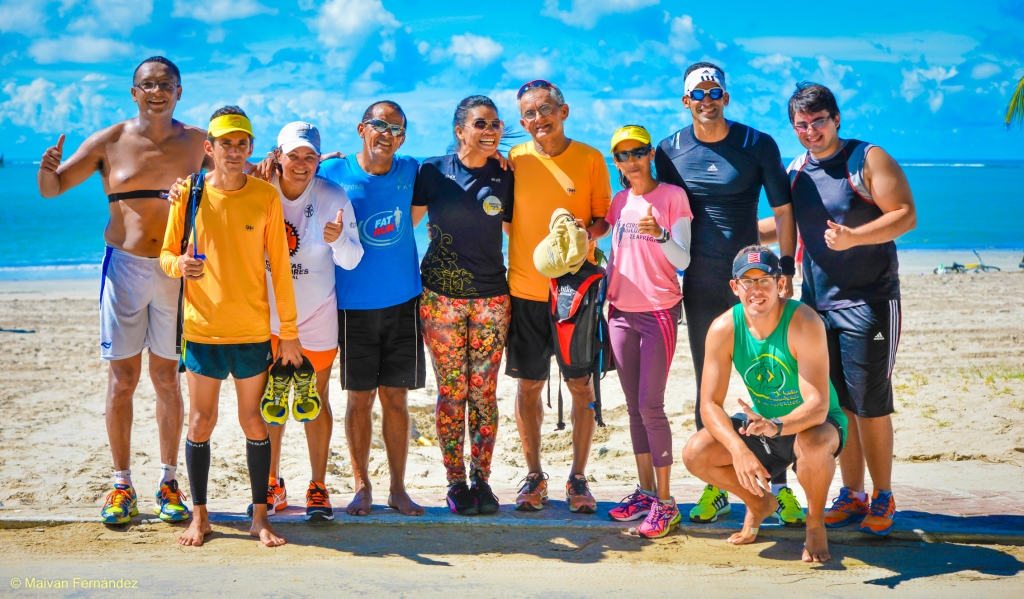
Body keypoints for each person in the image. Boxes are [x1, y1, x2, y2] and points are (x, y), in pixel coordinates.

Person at [35, 56, 203, 524]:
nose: (157, 91)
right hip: (123, 268)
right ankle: (121, 485)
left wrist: (287, 164)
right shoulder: (109, 141)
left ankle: (168, 481)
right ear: (134, 92)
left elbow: (242, 171)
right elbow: (52, 188)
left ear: (179, 91)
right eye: (148, 84)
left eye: (165, 84)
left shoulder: (197, 142)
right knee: (123, 380)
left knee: (167, 380)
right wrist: (47, 168)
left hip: (175, 270)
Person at [653, 62, 802, 525]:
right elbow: (662, 212)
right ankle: (716, 488)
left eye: (714, 91)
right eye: (698, 94)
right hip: (700, 282)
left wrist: (786, 269)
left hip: (756, 282)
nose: (707, 100)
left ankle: (780, 487)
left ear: (726, 96)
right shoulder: (669, 151)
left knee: (773, 380)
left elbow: (784, 210)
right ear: (686, 101)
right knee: (708, 386)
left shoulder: (757, 144)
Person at [160, 106, 302, 547]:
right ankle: (199, 518)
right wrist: (179, 266)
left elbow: (280, 268)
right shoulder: (189, 193)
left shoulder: (265, 196)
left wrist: (289, 331)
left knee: (253, 421)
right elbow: (166, 254)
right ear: (210, 148)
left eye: (242, 144)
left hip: (252, 331)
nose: (234, 151)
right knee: (201, 422)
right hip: (202, 331)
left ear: (251, 147)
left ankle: (260, 518)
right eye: (226, 144)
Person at [785, 82, 916, 537]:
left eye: (818, 121)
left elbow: (905, 214)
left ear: (836, 119)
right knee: (839, 406)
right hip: (817, 307)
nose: (811, 131)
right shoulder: (797, 171)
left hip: (870, 304)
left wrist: (855, 237)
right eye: (801, 124)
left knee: (870, 403)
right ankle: (853, 493)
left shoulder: (867, 158)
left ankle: (883, 494)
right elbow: (787, 225)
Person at [682, 246, 847, 563]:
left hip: (815, 425)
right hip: (764, 426)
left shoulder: (804, 321)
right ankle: (759, 503)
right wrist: (738, 450)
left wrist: (778, 425)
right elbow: (709, 405)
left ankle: (815, 524)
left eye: (764, 281)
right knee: (695, 452)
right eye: (747, 281)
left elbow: (818, 405)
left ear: (780, 284)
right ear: (735, 287)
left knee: (813, 444)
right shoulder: (723, 328)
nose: (756, 289)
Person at [505, 80, 611, 513]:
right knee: (529, 384)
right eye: (529, 114)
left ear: (563, 111)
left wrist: (589, 232)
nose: (538, 119)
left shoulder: (590, 158)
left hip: (576, 290)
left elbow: (605, 218)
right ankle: (534, 475)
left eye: (545, 109)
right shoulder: (513, 160)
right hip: (525, 289)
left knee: (580, 385)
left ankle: (578, 478)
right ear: (522, 121)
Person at [319, 101, 425, 517]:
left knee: (396, 399)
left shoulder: (412, 170)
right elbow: (287, 178)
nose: (386, 133)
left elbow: (458, 168)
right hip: (353, 306)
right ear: (361, 129)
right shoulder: (332, 172)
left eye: (396, 128)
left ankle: (398, 488)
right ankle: (361, 486)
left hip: (403, 301)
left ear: (403, 137)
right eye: (378, 124)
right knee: (359, 399)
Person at [410, 96, 513, 515]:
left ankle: (481, 481)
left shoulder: (507, 174)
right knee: (452, 392)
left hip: (492, 298)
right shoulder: (432, 171)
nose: (490, 130)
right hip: (441, 299)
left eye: (496, 124)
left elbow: (520, 228)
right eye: (480, 123)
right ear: (460, 130)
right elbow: (401, 222)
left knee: (484, 392)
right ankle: (455, 482)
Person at [259, 122, 363, 521]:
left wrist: (338, 239)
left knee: (313, 401)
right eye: (293, 155)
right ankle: (272, 483)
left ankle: (318, 487)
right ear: (278, 156)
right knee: (272, 402)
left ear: (319, 159)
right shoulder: (260, 189)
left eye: (310, 156)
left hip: (317, 318)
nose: (301, 164)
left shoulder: (331, 196)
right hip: (267, 320)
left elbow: (351, 260)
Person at [603, 125, 692, 537]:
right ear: (616, 162)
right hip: (619, 313)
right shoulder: (619, 201)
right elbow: (611, 251)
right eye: (622, 155)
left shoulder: (672, 197)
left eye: (637, 152)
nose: (631, 161)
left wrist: (661, 235)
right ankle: (645, 492)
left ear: (651, 154)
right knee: (633, 407)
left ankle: (666, 503)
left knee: (650, 406)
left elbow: (683, 260)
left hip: (658, 312)